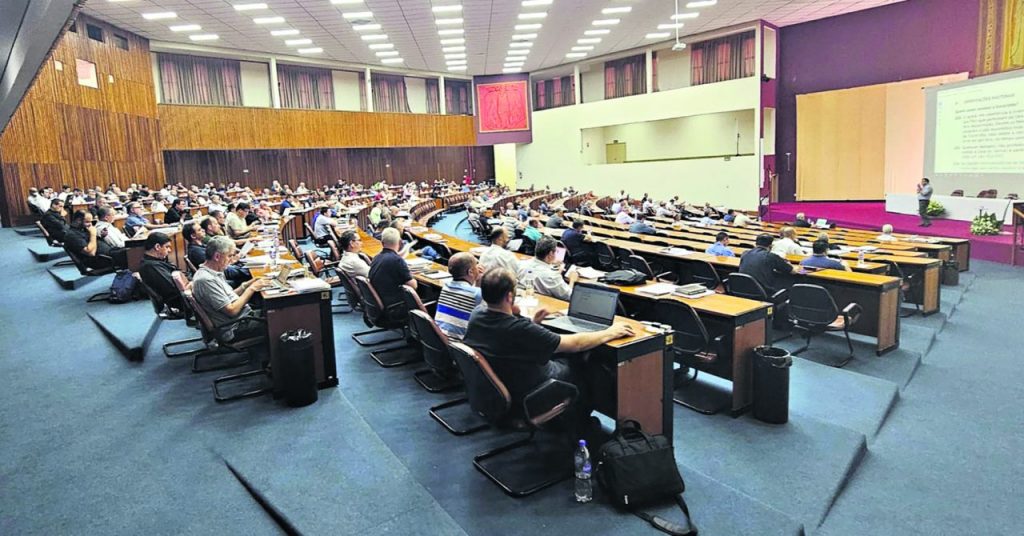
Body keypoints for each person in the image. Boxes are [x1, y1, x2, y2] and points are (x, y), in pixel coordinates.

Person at [461, 268, 634, 438]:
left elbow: (511, 337)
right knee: (585, 362)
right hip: (532, 393)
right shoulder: (518, 329)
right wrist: (611, 332)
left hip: (507, 384)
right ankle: (582, 426)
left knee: (563, 354)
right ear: (509, 297)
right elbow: (576, 344)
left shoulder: (477, 315)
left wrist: (532, 323)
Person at [191, 236, 270, 342]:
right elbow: (232, 310)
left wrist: (247, 284)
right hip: (235, 328)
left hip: (243, 318)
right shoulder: (206, 280)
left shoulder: (213, 272)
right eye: (230, 256)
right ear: (217, 256)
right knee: (280, 318)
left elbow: (228, 296)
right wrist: (251, 288)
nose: (232, 260)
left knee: (274, 309)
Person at [434, 252, 484, 341]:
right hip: (460, 345)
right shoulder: (476, 293)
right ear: (470, 271)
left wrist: (477, 279)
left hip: (440, 339)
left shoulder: (446, 286)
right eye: (476, 265)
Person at [368, 227, 416, 311]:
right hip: (394, 306)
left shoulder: (376, 258)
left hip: (380, 303)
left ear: (382, 243)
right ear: (400, 243)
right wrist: (410, 274)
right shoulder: (397, 260)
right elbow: (413, 286)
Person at [517, 236, 577, 301]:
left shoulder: (520, 264)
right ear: (551, 253)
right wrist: (572, 280)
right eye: (556, 251)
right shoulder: (552, 276)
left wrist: (555, 270)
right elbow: (570, 296)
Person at [138, 232, 185, 311]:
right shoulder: (151, 266)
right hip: (179, 302)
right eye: (167, 247)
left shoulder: (156, 262)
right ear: (157, 247)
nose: (169, 250)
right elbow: (174, 288)